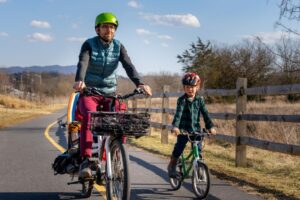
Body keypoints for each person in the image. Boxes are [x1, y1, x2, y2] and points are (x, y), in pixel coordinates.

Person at [73, 12, 152, 178]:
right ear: (98, 29)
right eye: (105, 26)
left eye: (112, 27)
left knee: (121, 119)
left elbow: (129, 65)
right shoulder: (89, 44)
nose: (109, 29)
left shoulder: (119, 46)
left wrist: (140, 83)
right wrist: (80, 81)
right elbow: (83, 62)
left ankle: (116, 154)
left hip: (110, 93)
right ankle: (87, 160)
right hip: (90, 92)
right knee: (89, 116)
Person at [167, 72, 216, 177]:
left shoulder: (200, 100)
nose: (190, 89)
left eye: (193, 87)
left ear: (197, 87)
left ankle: (199, 166)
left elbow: (205, 114)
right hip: (183, 130)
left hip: (196, 129)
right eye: (187, 87)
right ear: (184, 88)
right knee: (179, 147)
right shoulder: (182, 100)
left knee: (198, 148)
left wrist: (210, 126)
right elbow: (178, 114)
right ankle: (172, 164)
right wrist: (175, 126)